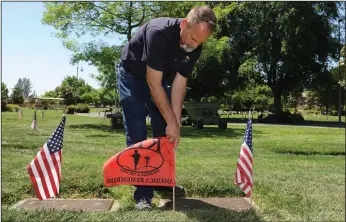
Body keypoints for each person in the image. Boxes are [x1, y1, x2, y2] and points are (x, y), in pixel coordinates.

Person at [117, 6, 217, 210]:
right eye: (192, 38)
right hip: (132, 75)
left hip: (158, 78)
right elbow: (153, 82)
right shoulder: (158, 33)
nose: (193, 45)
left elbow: (179, 85)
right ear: (183, 25)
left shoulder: (195, 47)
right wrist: (171, 119)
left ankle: (161, 180)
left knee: (165, 131)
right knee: (137, 132)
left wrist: (175, 123)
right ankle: (143, 195)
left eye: (199, 42)